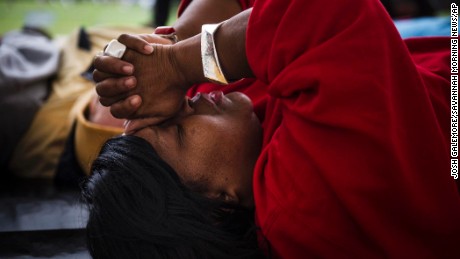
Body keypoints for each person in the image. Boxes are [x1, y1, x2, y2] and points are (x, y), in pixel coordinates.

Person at [87, 0, 460, 258]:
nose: (186, 104)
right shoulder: (307, 210)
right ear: (217, 205)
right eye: (177, 133)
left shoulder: (236, 134)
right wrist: (177, 64)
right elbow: (314, 14)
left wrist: (166, 46)